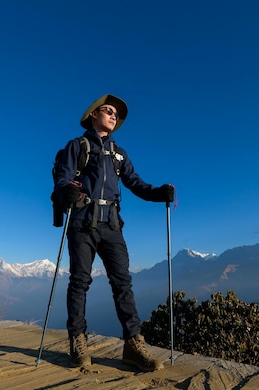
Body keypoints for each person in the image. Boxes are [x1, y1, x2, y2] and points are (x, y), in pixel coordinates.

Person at [53, 94, 174, 372]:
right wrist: (67, 189)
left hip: (112, 224)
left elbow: (135, 183)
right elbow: (62, 176)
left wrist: (159, 194)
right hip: (82, 221)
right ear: (94, 114)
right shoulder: (78, 146)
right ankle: (77, 340)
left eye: (116, 114)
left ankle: (133, 344)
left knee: (123, 283)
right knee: (80, 281)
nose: (113, 116)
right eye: (108, 111)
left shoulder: (120, 154)